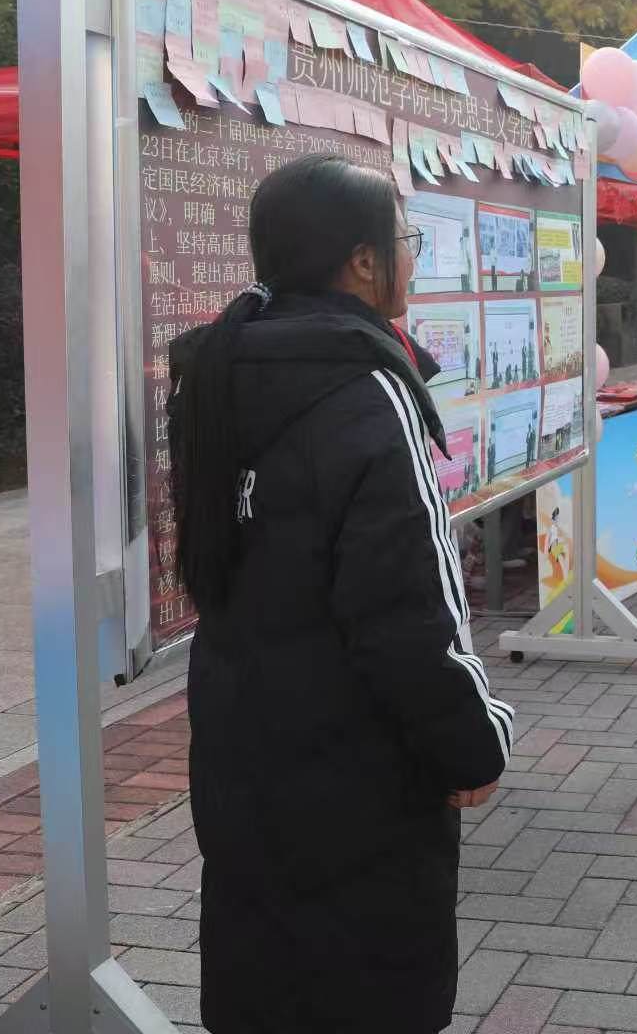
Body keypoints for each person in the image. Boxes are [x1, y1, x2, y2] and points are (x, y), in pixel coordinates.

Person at [168, 154, 512, 1034]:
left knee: (264, 987)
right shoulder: (367, 390)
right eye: (406, 239)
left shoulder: (217, 371)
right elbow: (410, 617)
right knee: (367, 991)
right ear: (362, 261)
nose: (412, 255)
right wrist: (473, 744)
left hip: (241, 752)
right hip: (358, 778)